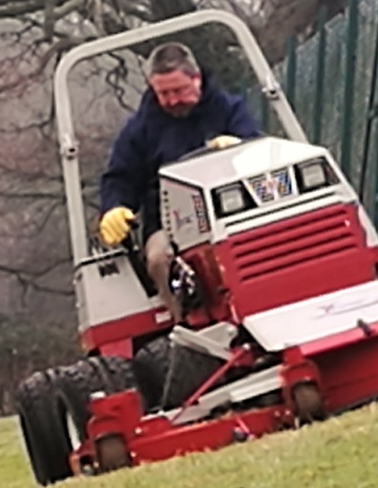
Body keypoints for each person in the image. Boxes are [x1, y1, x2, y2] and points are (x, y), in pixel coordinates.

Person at [96, 42, 260, 318]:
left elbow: (259, 150)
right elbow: (121, 177)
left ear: (196, 79)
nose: (172, 100)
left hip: (235, 210)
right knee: (159, 258)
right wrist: (115, 207)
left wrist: (240, 148)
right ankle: (186, 324)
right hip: (169, 224)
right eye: (163, 93)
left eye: (178, 91)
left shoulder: (229, 110)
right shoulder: (140, 130)